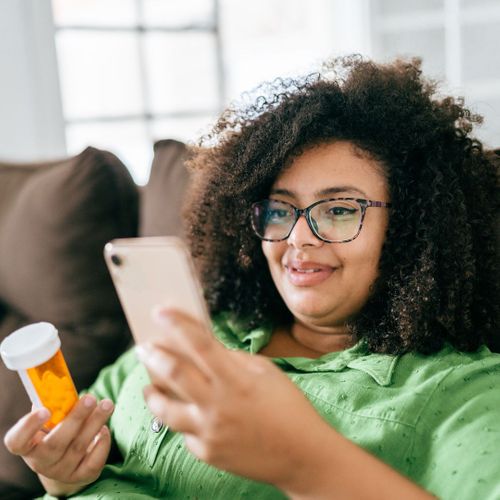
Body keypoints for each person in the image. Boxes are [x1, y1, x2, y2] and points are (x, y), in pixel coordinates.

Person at [4, 56, 500, 499]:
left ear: (414, 228)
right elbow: (92, 440)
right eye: (280, 211)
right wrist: (63, 476)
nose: (298, 240)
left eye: (341, 210)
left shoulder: (463, 393)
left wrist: (303, 462)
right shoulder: (206, 327)